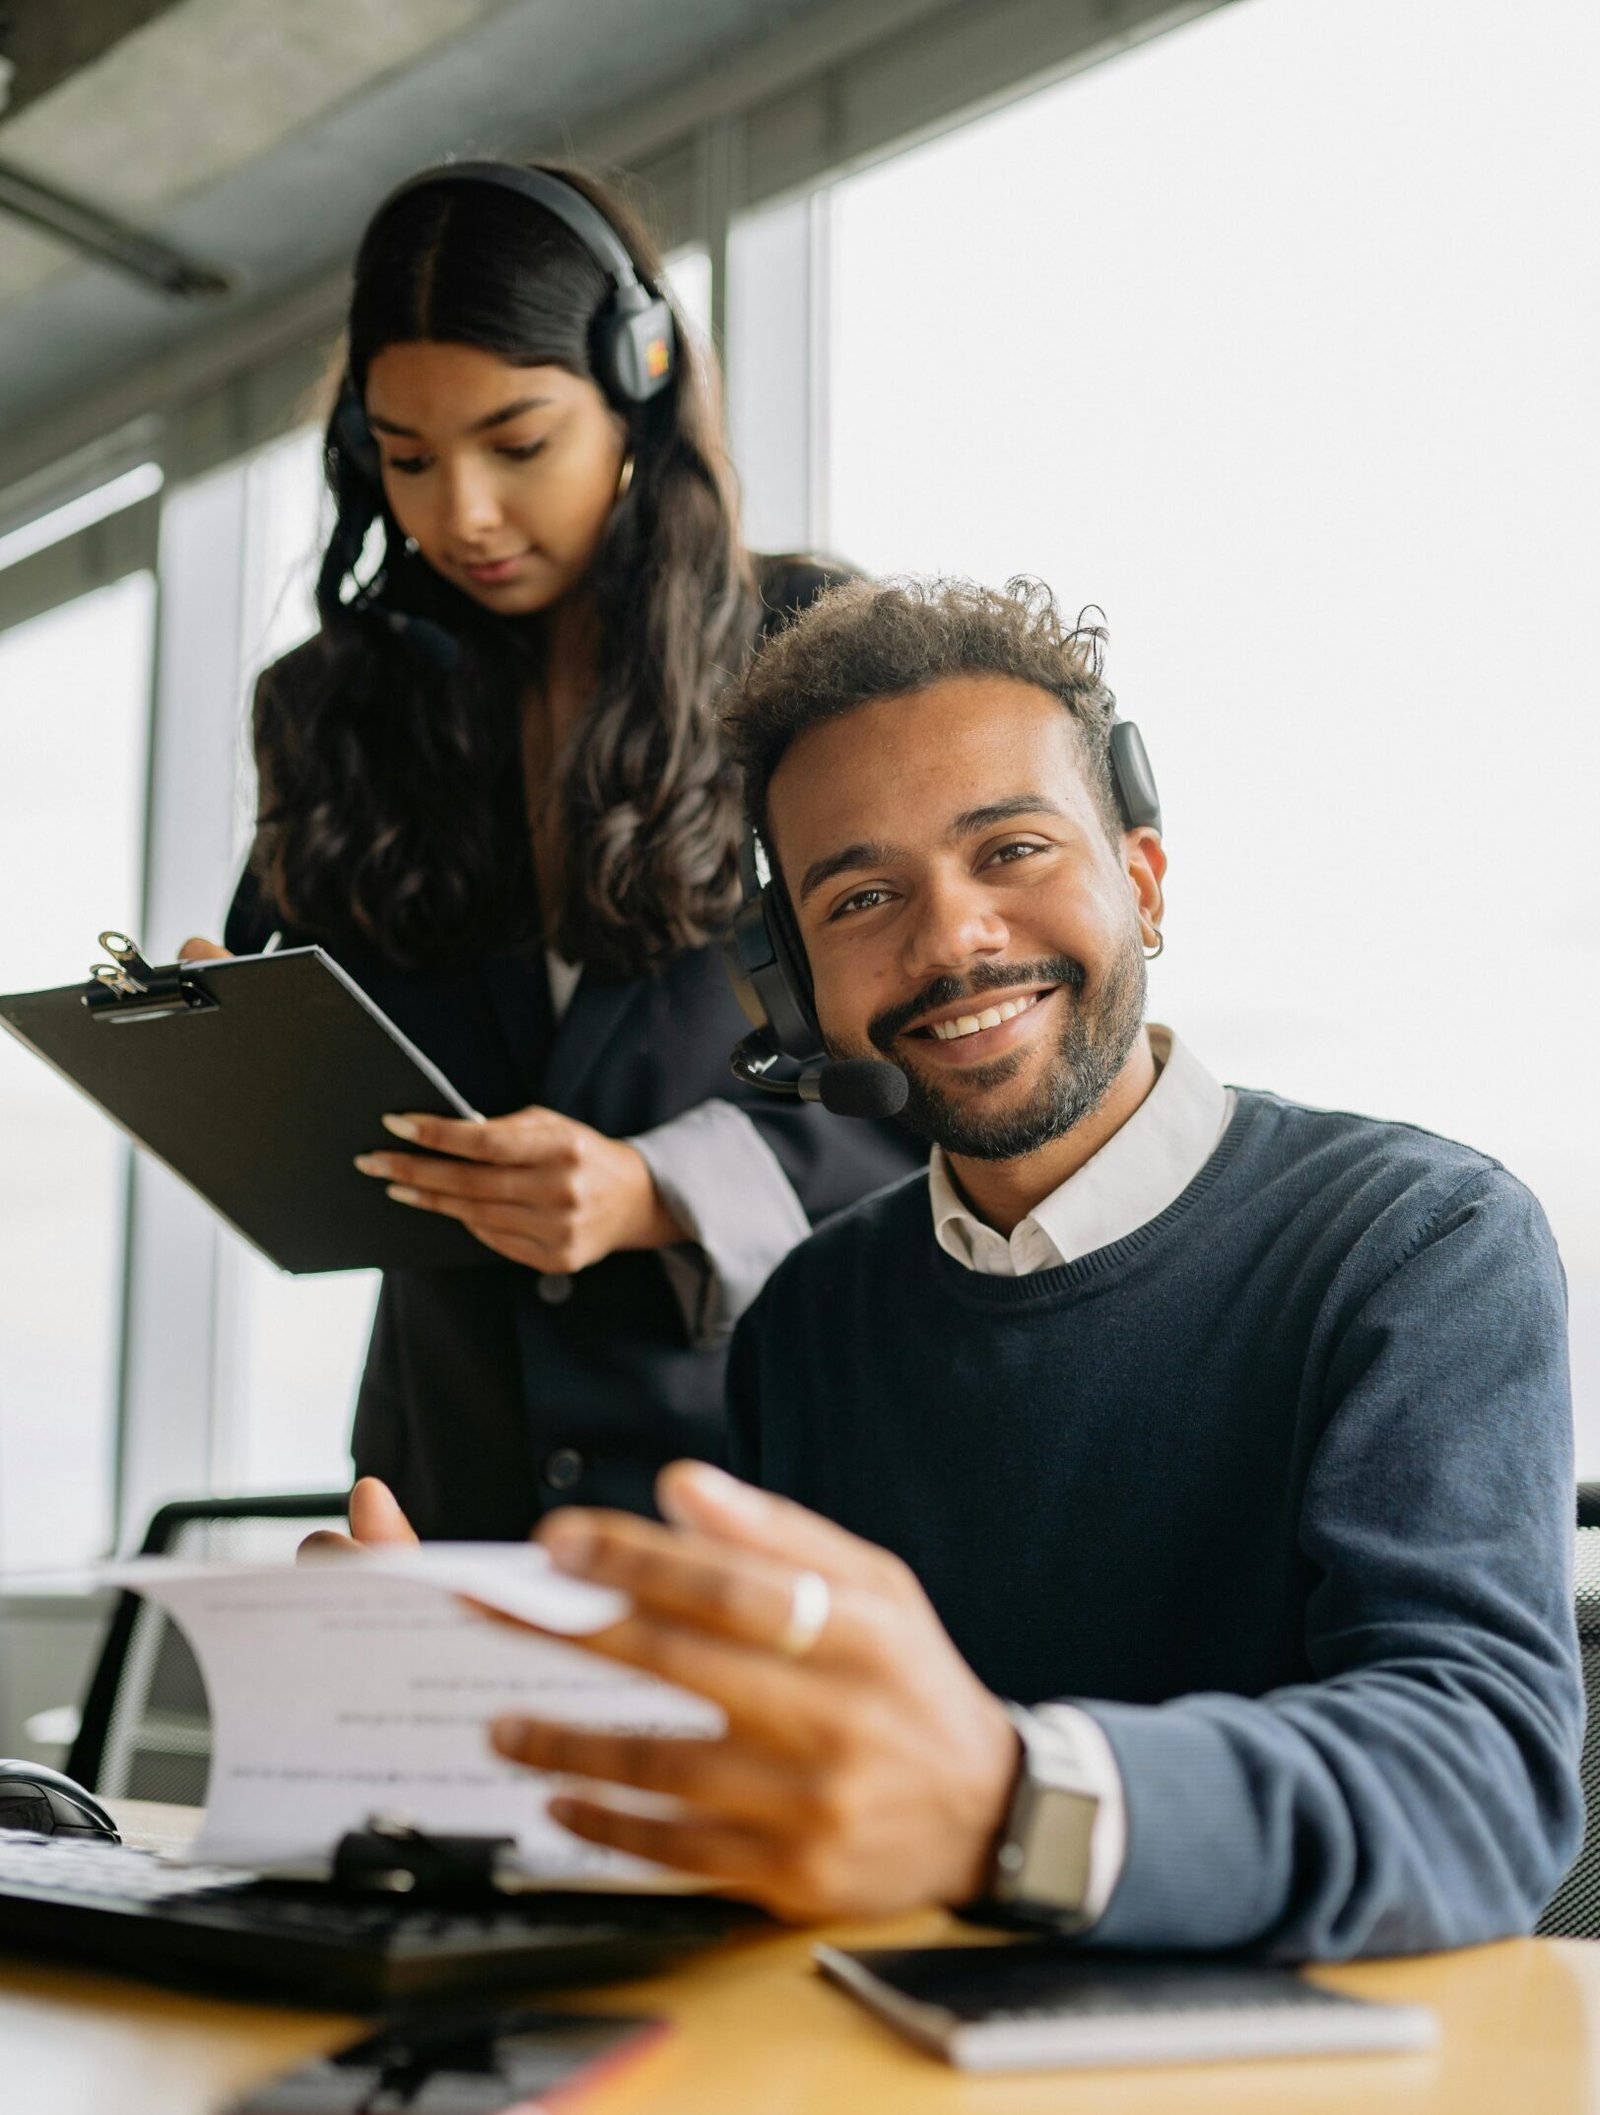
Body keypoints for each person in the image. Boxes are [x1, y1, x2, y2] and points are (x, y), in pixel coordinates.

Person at [429, 573, 1579, 1960]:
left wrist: (1013, 1802)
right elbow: (771, 1767)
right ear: (794, 992)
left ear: (1141, 883)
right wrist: (438, 1697)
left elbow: (1482, 1784)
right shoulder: (809, 1317)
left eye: (1013, 851)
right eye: (862, 896)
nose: (952, 939)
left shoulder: (1418, 1245)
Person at [184, 162, 918, 1538]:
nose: (460, 512)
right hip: (450, 1469)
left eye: (517, 444)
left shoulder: (810, 650)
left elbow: (934, 1056)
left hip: (758, 1477)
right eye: (408, 458)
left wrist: (659, 1190)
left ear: (637, 389)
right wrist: (228, 1041)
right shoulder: (334, 708)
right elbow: (314, 1069)